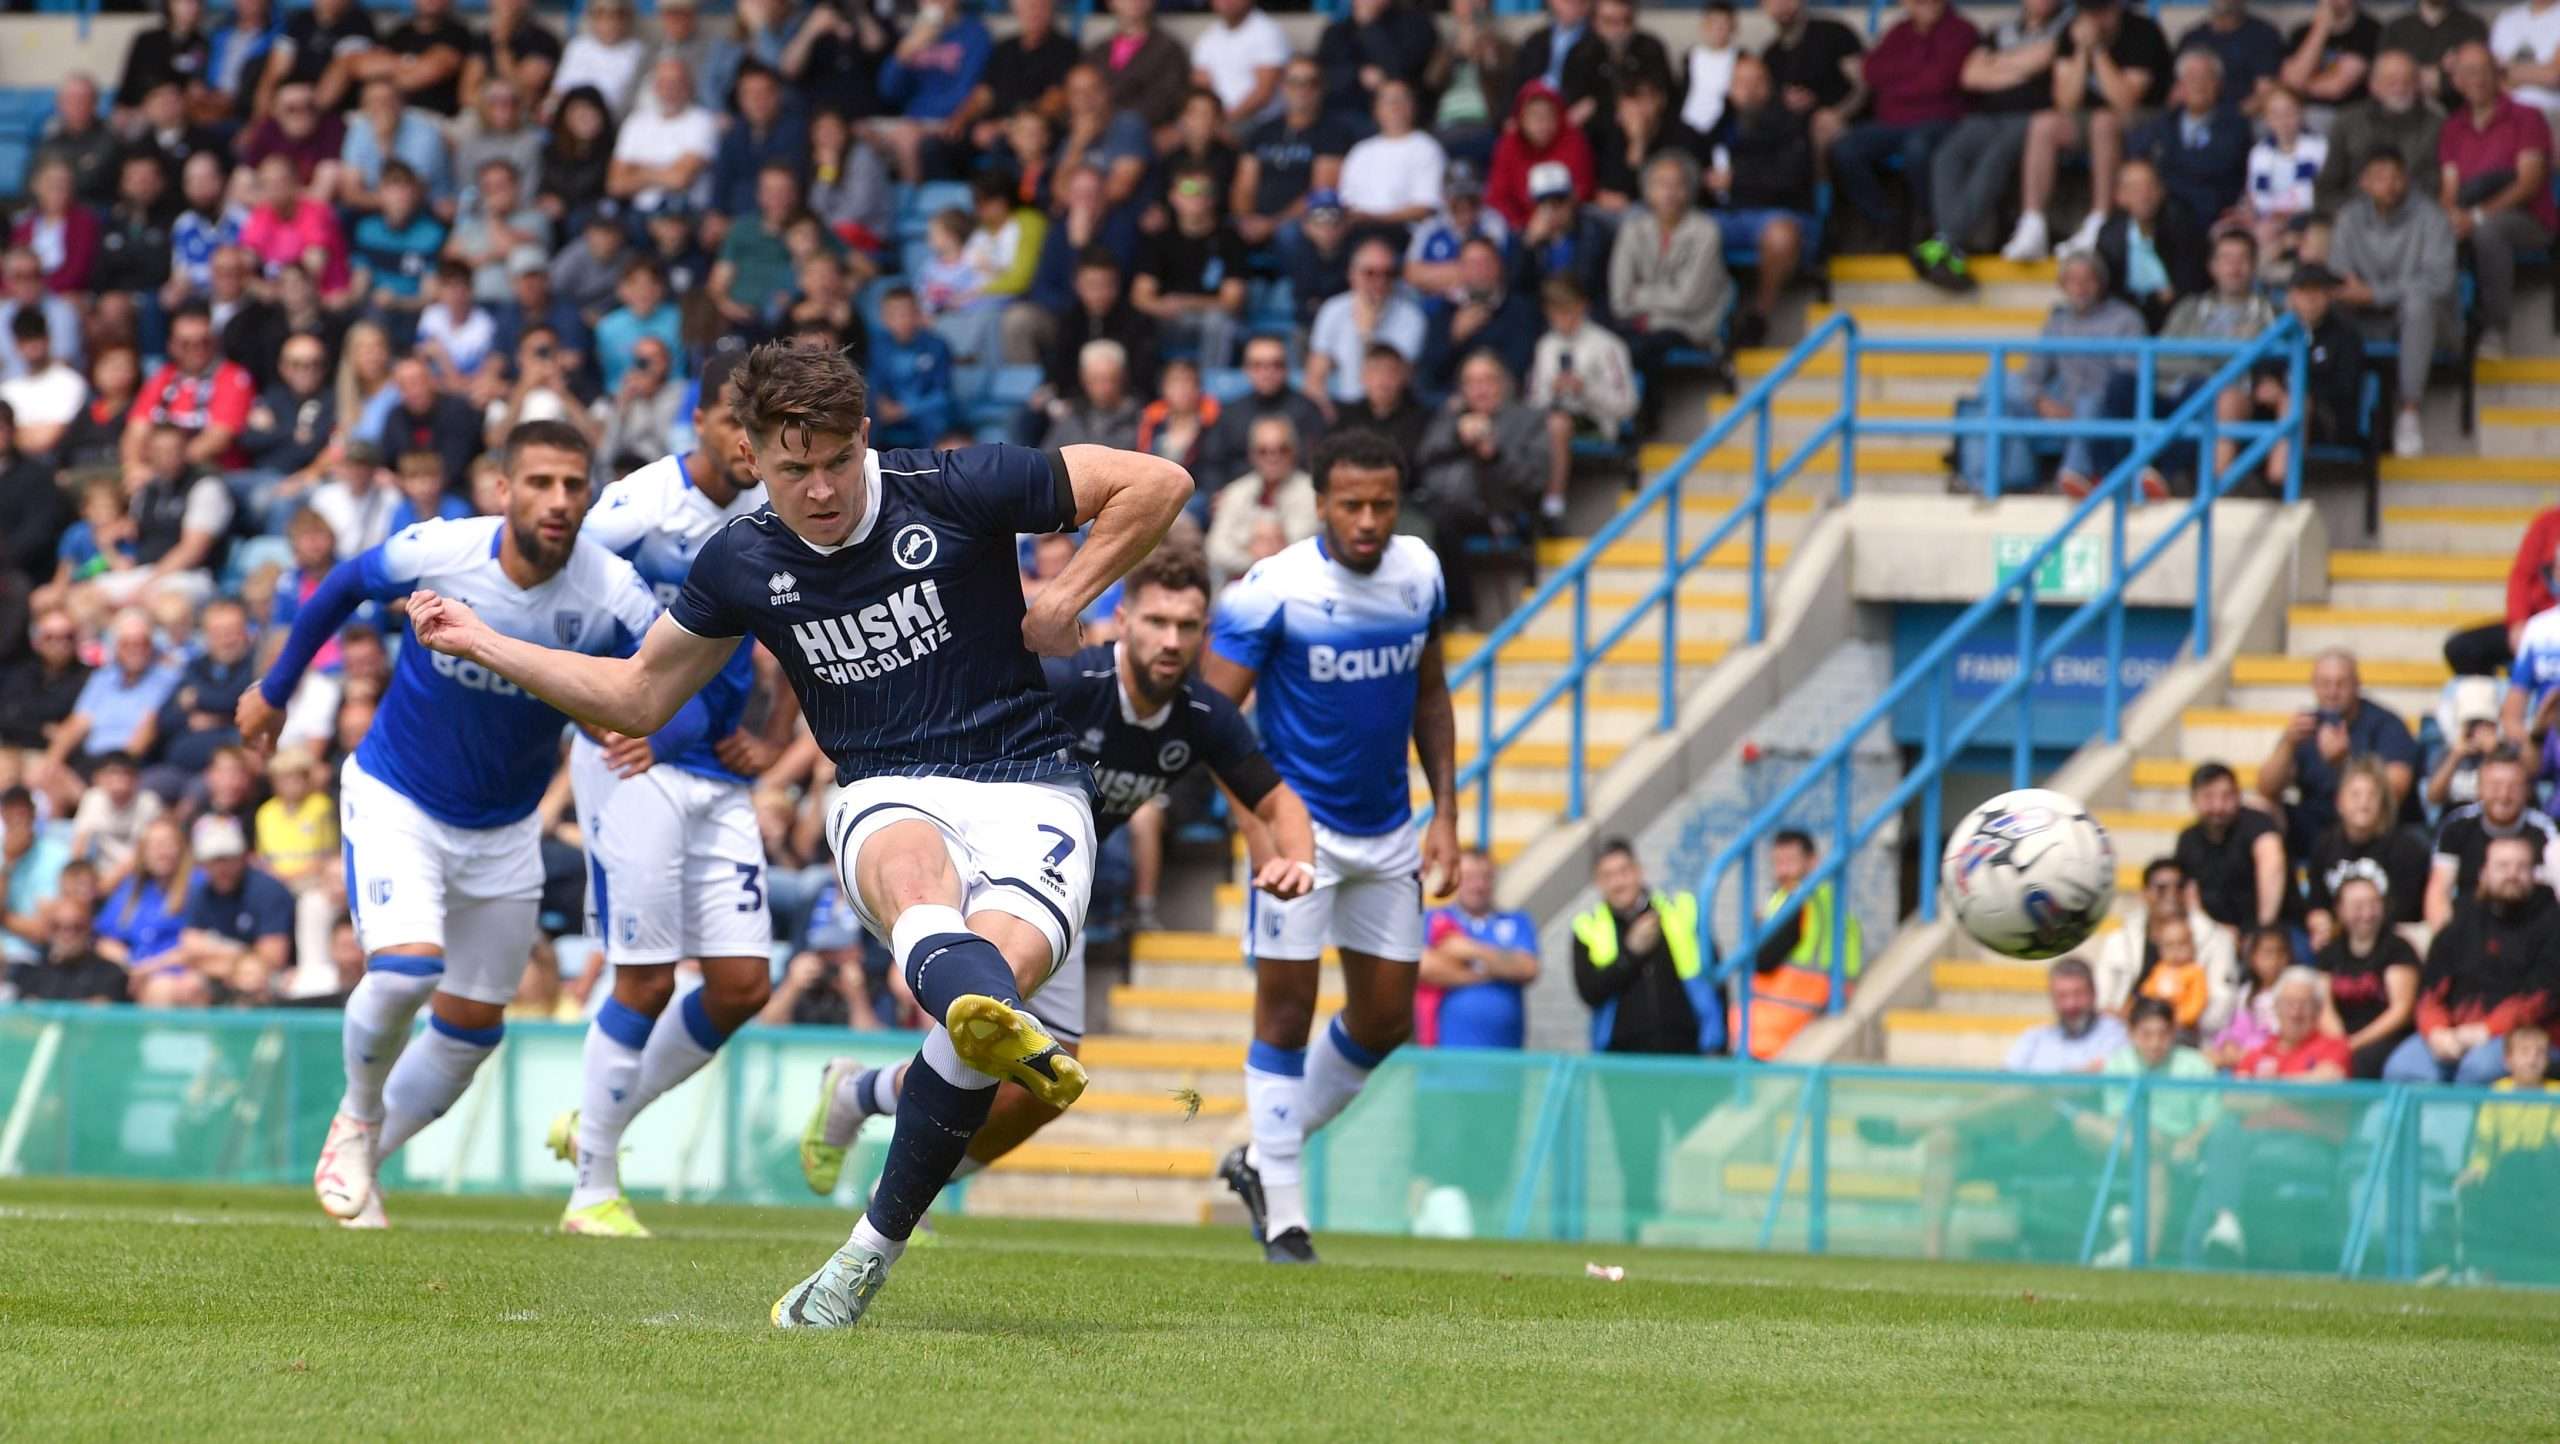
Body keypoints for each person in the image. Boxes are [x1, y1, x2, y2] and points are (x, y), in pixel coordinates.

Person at [404, 345, 1190, 1326]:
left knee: (997, 982)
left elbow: (1156, 481)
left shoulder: (955, 485)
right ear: (753, 456)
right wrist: (481, 639)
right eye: (790, 468)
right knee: (923, 888)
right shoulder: (743, 558)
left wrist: (1065, 596)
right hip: (881, 784)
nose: (817, 489)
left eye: (833, 460)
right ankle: (986, 1015)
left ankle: (868, 1249)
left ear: (864, 436)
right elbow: (637, 694)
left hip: (1030, 780)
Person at [232, 420, 657, 1226]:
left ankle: (359, 1154)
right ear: (504, 490)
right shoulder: (441, 550)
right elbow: (343, 584)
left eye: (574, 484)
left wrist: (650, 725)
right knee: (405, 970)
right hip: (401, 796)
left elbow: (674, 670)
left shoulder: (612, 591)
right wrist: (278, 687)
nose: (558, 500)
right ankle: (357, 1115)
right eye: (540, 482)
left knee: (471, 1032)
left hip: (504, 830)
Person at [800, 547, 1314, 1193]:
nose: (1171, 640)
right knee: (984, 1037)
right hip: (976, 859)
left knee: (1049, 1084)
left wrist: (1298, 861)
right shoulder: (1070, 683)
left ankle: (869, 1117)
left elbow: (1276, 799)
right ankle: (894, 1173)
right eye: (1157, 621)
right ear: (1122, 620)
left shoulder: (1203, 716)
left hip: (1054, 885)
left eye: (1188, 627)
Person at [534, 352, 780, 1237]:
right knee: (642, 976)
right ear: (700, 422)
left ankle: (597, 1123)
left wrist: (775, 731)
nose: (752, 444)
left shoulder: (775, 508)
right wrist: (595, 716)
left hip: (714, 766)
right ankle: (590, 1188)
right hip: (632, 760)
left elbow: (791, 631)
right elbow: (562, 613)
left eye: (764, 428)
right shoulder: (636, 509)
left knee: (745, 984)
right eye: (735, 424)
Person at [1206, 430, 1460, 1267]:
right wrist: (1260, 833)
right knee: (1285, 1010)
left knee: (1386, 1018)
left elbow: (1430, 695)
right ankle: (1285, 1218)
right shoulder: (1272, 588)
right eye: (1350, 504)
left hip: (1390, 830)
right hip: (1298, 835)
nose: (1367, 520)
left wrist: (1447, 817)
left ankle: (1260, 1154)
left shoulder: (1419, 571)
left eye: (1382, 504)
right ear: (1320, 504)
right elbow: (1211, 718)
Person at [1571, 837, 1719, 1241]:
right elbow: (1589, 991)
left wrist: (1717, 1042)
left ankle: (1698, 1238)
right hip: (1624, 1062)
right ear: (1599, 884)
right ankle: (1637, 1237)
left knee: (1697, 1150)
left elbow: (1712, 973)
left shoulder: (1680, 913)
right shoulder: (1589, 928)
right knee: (1637, 1157)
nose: (1619, 882)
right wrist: (1631, 954)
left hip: (1685, 1055)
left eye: (1624, 871)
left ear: (1638, 871)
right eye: (1608, 876)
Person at [1957, 250, 2144, 496]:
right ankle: (1981, 483)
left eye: (2088, 280)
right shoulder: (2057, 321)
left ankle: (2073, 477)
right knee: (1995, 384)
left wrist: (2078, 409)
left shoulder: (2125, 319)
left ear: (2101, 283)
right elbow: (2032, 376)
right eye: (2073, 281)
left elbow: (2126, 382)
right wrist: (2043, 403)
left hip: (2105, 411)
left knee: (2090, 404)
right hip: (2061, 409)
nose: (2080, 288)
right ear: (2062, 285)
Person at [1913, 0, 2069, 291]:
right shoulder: (2002, 29)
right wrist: (2021, 68)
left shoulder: (2067, 27)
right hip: (1986, 117)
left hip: (2033, 117)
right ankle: (1950, 244)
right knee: (1946, 156)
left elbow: (2045, 57)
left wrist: (1997, 64)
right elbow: (1970, 76)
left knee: (1994, 159)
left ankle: (1946, 241)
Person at [2001, 0, 2173, 262]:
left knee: (2103, 121)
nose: (2094, 19)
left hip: (2144, 118)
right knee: (2044, 123)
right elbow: (2065, 103)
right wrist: (2083, 51)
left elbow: (2125, 99)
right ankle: (2033, 223)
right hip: (2087, 119)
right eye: (2088, 12)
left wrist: (2099, 51)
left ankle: (2099, 220)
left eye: (2101, 11)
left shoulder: (2142, 31)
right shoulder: (2070, 34)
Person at [2386, 835, 2559, 1083]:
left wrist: (2485, 1031)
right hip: (2453, 1031)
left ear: (2535, 874)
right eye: (2502, 866)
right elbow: (2431, 988)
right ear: (2483, 873)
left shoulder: (2552, 921)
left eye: (2522, 867)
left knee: (2476, 1070)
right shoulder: (2463, 916)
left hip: (2525, 1035)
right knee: (2402, 1068)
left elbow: (2542, 997)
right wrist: (2436, 1030)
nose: (2512, 874)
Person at [2328, 147, 2457, 459]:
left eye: (2396, 177)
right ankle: (2333, 415)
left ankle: (2409, 411)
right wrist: (2355, 293)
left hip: (2428, 321)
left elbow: (2439, 281)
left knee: (2418, 302)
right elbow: (2338, 275)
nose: (2389, 185)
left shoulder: (2431, 216)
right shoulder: (2349, 217)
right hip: (2365, 316)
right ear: (2364, 182)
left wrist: (2375, 293)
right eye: (2380, 178)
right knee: (2319, 303)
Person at [1830, 0, 1980, 252]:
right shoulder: (1899, 31)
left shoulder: (1962, 30)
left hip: (1942, 120)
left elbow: (1941, 81)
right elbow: (1872, 71)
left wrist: (1898, 81)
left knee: (1917, 148)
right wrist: (1916, 77)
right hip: (1892, 123)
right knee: (1845, 149)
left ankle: (1928, 222)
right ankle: (1886, 222)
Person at [2438, 41, 2555, 359]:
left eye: (2483, 71)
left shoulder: (2527, 116)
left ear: (2497, 74)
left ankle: (2495, 330)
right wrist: (2452, 216)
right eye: (2468, 72)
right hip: (2469, 214)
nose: (2476, 79)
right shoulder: (2452, 127)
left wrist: (2475, 217)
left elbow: (2528, 184)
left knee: (2489, 230)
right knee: (2434, 231)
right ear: (2456, 80)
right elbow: (2449, 188)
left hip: (2529, 220)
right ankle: (2447, 330)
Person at [2258, 649, 2421, 861]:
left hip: (2375, 827)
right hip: (2318, 823)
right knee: (2259, 809)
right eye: (2325, 683)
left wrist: (2345, 764)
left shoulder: (2386, 725)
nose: (2332, 692)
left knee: (2363, 807)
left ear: (2357, 684)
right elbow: (2267, 788)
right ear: (2313, 686)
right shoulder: (2305, 727)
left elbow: (2395, 790)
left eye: (2340, 684)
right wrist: (2288, 744)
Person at [1608, 151, 1731, 429]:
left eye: (1677, 184)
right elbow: (1619, 297)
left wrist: (1640, 295)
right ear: (1648, 190)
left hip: (1691, 324)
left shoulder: (1706, 231)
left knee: (1648, 344)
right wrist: (1658, 296)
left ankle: (1646, 416)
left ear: (1689, 190)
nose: (1669, 192)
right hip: (1641, 322)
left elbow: (1688, 299)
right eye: (1661, 184)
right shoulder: (1632, 229)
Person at [1734, 829, 1861, 1059]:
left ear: (1813, 862)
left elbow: (1762, 960)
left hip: (1774, 1030)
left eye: (1790, 862)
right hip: (1814, 1015)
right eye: (1777, 862)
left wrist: (1755, 933)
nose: (1782, 871)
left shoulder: (1796, 901)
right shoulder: (1832, 903)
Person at [2451, 1025, 2560, 1280]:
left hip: (2545, 1176)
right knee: (2475, 1188)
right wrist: (2477, 1169)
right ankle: (2483, 1269)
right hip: (2504, 1177)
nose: (2533, 1058)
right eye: (2525, 1052)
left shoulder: (2556, 1093)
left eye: (2540, 1052)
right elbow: (2485, 1145)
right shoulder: (2497, 1093)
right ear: (2508, 1060)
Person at [1527, 276, 1637, 521]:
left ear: (1582, 306)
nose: (1562, 318)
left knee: (1557, 424)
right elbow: (1533, 402)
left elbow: (1627, 405)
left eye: (1568, 310)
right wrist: (1551, 390)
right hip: (1549, 416)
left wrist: (1585, 389)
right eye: (1555, 311)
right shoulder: (1545, 346)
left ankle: (1553, 502)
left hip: (1595, 419)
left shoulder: (1608, 345)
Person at [2092, 857, 2243, 1026]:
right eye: (2161, 888)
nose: (2171, 894)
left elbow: (2222, 1002)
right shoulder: (2118, 941)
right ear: (2145, 893)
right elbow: (2103, 998)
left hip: (2191, 1037)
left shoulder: (2217, 940)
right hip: (2126, 1035)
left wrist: (2179, 1028)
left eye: (2179, 887)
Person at [1419, 848, 1540, 1050]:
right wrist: (1494, 969)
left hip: (1505, 1058)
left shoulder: (1516, 921)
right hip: (1445, 1059)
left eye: (1485, 877)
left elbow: (1527, 968)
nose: (1478, 885)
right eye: (1470, 877)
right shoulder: (1435, 920)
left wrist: (1470, 951)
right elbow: (1424, 969)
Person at [2425, 747, 2560, 925]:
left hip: (2531, 931)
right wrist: (2447, 940)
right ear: (2479, 788)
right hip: (2468, 930)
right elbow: (2438, 893)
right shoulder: (2457, 826)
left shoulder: (2544, 832)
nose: (2504, 795)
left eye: (2513, 787)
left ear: (2527, 791)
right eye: (2495, 786)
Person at [2305, 757, 2432, 943]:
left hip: (2394, 937)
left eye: (2371, 795)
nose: (2363, 803)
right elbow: (2318, 902)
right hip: (2341, 939)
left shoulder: (2406, 848)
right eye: (2355, 795)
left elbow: (2404, 910)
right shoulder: (2325, 845)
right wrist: (2318, 920)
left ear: (2382, 803)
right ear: (2339, 802)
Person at [2129, 50, 2253, 237]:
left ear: (2218, 84)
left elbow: (2218, 165)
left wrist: (2169, 163)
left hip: (2215, 216)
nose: (2199, 84)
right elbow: (2137, 156)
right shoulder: (2164, 123)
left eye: (2206, 77)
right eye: (2191, 77)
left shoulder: (2235, 123)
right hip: (2166, 216)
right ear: (2179, 85)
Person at [2317, 874, 2422, 1077]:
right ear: (2340, 910)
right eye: (2357, 906)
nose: (2367, 913)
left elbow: (2401, 1010)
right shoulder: (2330, 952)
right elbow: (2324, 1007)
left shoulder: (2398, 948)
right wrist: (2340, 1042)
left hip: (2388, 1037)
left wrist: (2354, 1043)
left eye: (2374, 904)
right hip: (2342, 1037)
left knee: (2359, 1062)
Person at [1305, 239, 1427, 412]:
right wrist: (1330, 419)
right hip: (1345, 408)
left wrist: (1367, 335)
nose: (1380, 281)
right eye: (1370, 273)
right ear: (1352, 274)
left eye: (1388, 273)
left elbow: (1396, 381)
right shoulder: (1332, 310)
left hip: (1391, 412)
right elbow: (1314, 379)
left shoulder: (1411, 317)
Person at [2090, 157, 2210, 333]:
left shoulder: (2182, 227)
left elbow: (2192, 284)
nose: (2144, 195)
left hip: (2178, 317)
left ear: (2161, 191)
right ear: (2120, 196)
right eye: (2135, 189)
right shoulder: (2109, 235)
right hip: (2126, 319)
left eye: (2150, 187)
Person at [2315, 49, 2444, 210]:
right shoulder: (2347, 122)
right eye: (2391, 81)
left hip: (2414, 219)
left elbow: (2435, 184)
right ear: (2373, 85)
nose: (2400, 88)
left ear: (2417, 84)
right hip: (2354, 217)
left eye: (2407, 80)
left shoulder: (2436, 125)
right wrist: (2356, 216)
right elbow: (2327, 187)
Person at [2176, 761, 2288, 937]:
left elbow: (2272, 865)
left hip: (2274, 930)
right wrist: (2216, 932)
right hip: (2213, 933)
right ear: (2193, 799)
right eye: (2209, 797)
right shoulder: (2188, 840)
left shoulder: (2258, 825)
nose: (2218, 807)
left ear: (2238, 795)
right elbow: (2190, 897)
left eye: (2226, 796)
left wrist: (2260, 933)